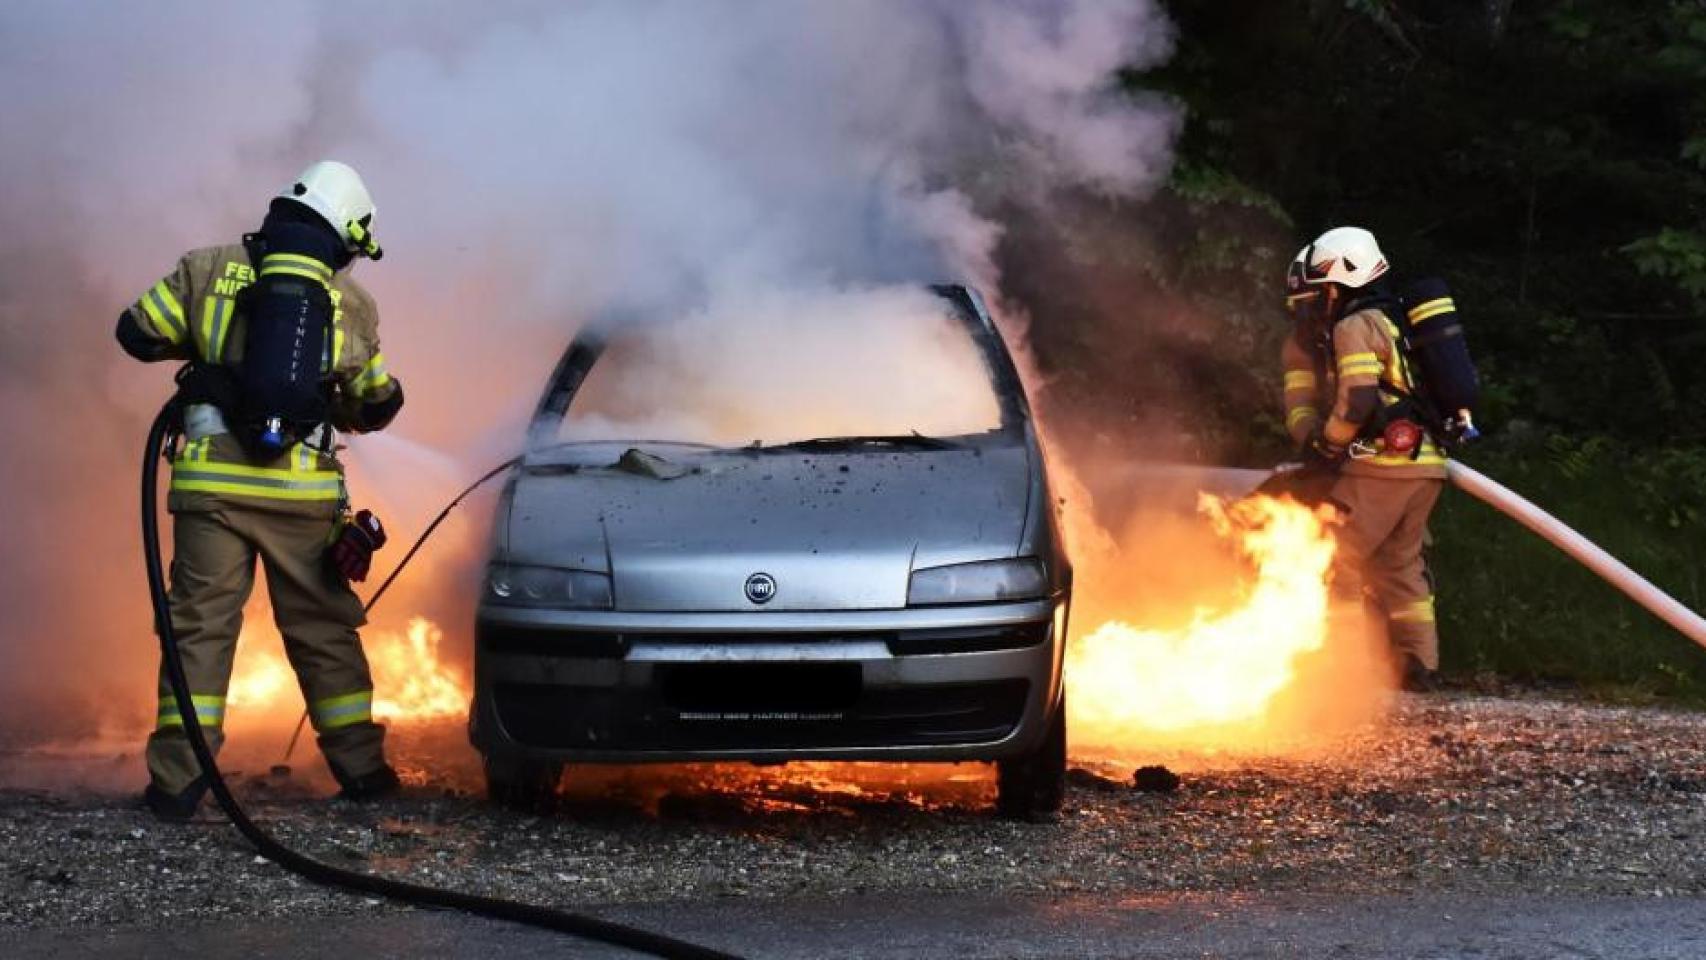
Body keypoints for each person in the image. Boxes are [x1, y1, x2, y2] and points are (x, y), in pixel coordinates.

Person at [118, 161, 405, 819]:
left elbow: (136, 333)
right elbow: (373, 403)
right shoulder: (351, 303)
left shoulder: (205, 268)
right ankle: (362, 772)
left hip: (208, 493)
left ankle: (177, 783)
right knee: (323, 630)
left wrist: (214, 365)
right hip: (300, 499)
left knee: (198, 631)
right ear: (343, 234)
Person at [1279, 226, 1447, 691]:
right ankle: (1419, 665)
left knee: (1334, 556)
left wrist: (1326, 444)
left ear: (1340, 282)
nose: (1312, 306)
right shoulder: (1391, 322)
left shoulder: (1354, 326)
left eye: (1318, 293)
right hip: (1425, 466)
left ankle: (1345, 670)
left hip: (1382, 466)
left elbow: (1357, 402)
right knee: (1400, 565)